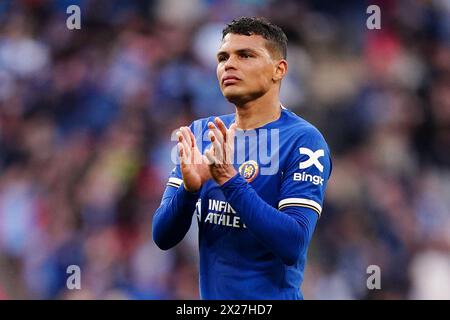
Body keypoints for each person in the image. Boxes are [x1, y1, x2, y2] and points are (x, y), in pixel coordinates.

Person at [152, 16, 332, 299]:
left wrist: (228, 179)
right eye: (223, 57)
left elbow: (293, 243)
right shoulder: (202, 133)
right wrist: (189, 190)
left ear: (279, 70)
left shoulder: (304, 141)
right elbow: (162, 237)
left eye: (245, 55)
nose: (229, 64)